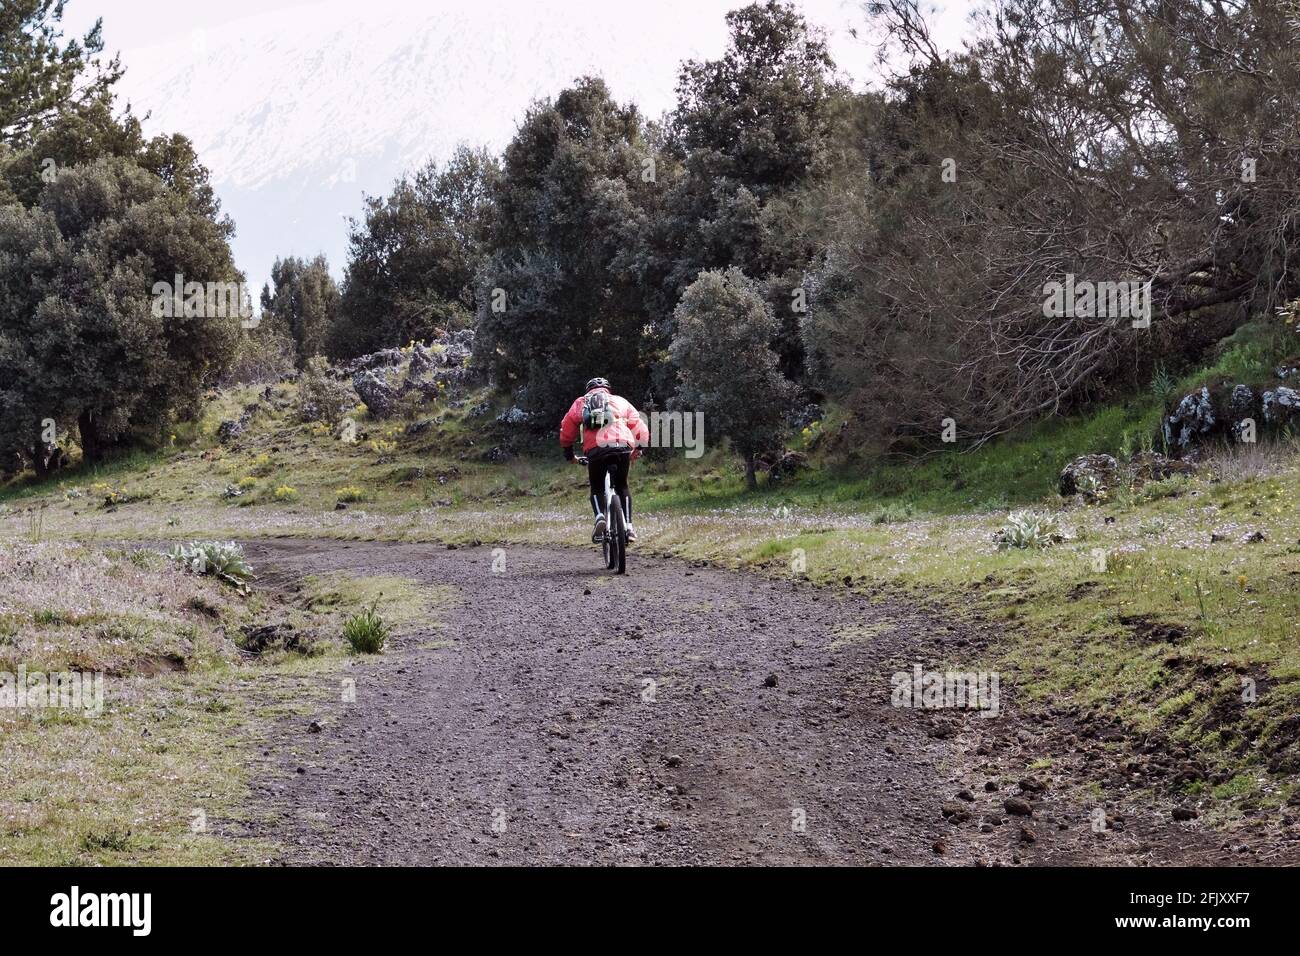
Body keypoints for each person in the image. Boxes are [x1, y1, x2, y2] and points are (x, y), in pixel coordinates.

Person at [559, 377, 648, 543]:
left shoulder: (581, 402)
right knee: (622, 485)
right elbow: (640, 426)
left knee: (597, 487)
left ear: (589, 390)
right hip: (622, 446)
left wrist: (569, 455)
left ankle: (600, 516)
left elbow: (567, 429)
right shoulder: (620, 401)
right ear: (608, 389)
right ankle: (629, 527)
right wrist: (639, 448)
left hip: (595, 449)